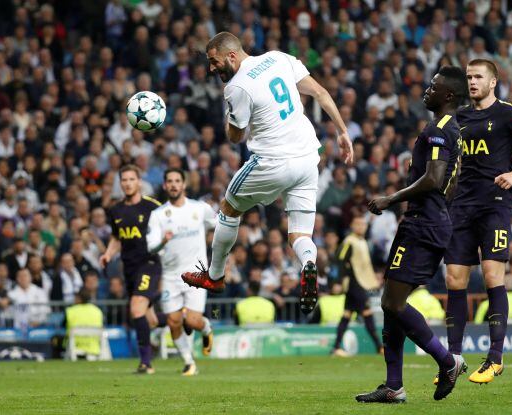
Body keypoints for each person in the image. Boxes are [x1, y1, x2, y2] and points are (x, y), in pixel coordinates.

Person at [180, 32, 353, 315]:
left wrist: (229, 117)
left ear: (232, 56)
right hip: (309, 158)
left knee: (228, 209)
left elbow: (235, 137)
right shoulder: (278, 58)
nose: (212, 68)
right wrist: (343, 131)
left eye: (215, 62)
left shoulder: (237, 87)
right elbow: (320, 92)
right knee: (298, 233)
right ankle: (309, 263)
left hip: (272, 162)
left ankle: (215, 275)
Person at [356, 67, 467, 403]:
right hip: (425, 220)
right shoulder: (452, 131)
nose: (426, 89)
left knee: (392, 301)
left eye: (433, 86)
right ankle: (393, 386)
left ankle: (448, 362)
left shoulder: (438, 130)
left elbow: (434, 179)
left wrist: (391, 198)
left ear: (448, 95)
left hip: (423, 223)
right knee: (391, 303)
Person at [441, 59, 512, 384]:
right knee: (455, 279)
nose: (472, 82)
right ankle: (453, 359)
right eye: (469, 77)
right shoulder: (457, 118)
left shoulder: (507, 113)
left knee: (491, 274)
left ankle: (495, 358)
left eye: (478, 77)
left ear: (493, 82)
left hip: (495, 206)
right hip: (461, 207)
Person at [147, 168, 216, 376]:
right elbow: (151, 247)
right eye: (170, 181)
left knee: (192, 321)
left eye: (178, 180)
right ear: (165, 186)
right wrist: (163, 241)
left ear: (184, 185)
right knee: (173, 322)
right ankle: (189, 362)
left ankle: (205, 329)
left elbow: (220, 224)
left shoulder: (199, 208)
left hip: (197, 274)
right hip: (170, 276)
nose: (174, 184)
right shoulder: (158, 215)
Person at [99, 164, 162, 375]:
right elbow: (117, 237)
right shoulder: (116, 210)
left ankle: (146, 363)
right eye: (124, 180)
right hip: (130, 268)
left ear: (139, 182)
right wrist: (108, 254)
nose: (127, 183)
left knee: (136, 309)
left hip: (150, 265)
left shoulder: (153, 207)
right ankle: (180, 317)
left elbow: (168, 231)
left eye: (131, 179)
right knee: (150, 320)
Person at [332, 216, 383, 356]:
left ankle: (336, 347)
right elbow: (340, 260)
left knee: (347, 314)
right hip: (354, 283)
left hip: (360, 282)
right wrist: (338, 281)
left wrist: (372, 279)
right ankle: (379, 347)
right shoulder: (349, 241)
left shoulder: (362, 242)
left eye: (363, 224)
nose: (361, 227)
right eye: (358, 224)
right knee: (367, 312)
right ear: (353, 226)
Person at [64, 289, 104, 359]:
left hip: (75, 344)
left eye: (76, 298)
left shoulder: (71, 311)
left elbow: (63, 325)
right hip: (94, 346)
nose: (74, 300)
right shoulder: (97, 311)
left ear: (79, 299)